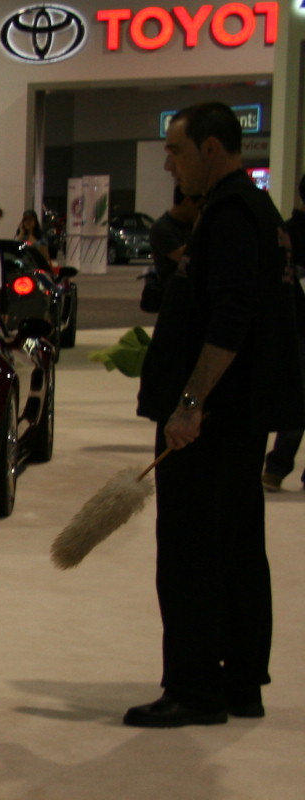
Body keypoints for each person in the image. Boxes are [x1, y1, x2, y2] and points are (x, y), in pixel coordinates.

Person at [128, 102, 301, 727]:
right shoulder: (257, 212)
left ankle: (195, 687)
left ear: (210, 147)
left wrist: (191, 403)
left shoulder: (230, 215)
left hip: (215, 417)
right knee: (235, 546)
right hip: (239, 415)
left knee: (191, 551)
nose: (169, 165)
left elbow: (232, 316)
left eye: (175, 150)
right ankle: (240, 680)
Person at [262, 173, 305, 491]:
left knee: (298, 397)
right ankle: (276, 467)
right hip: (299, 327)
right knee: (299, 398)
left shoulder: (287, 231)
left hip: (295, 324)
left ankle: (276, 469)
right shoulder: (291, 232)